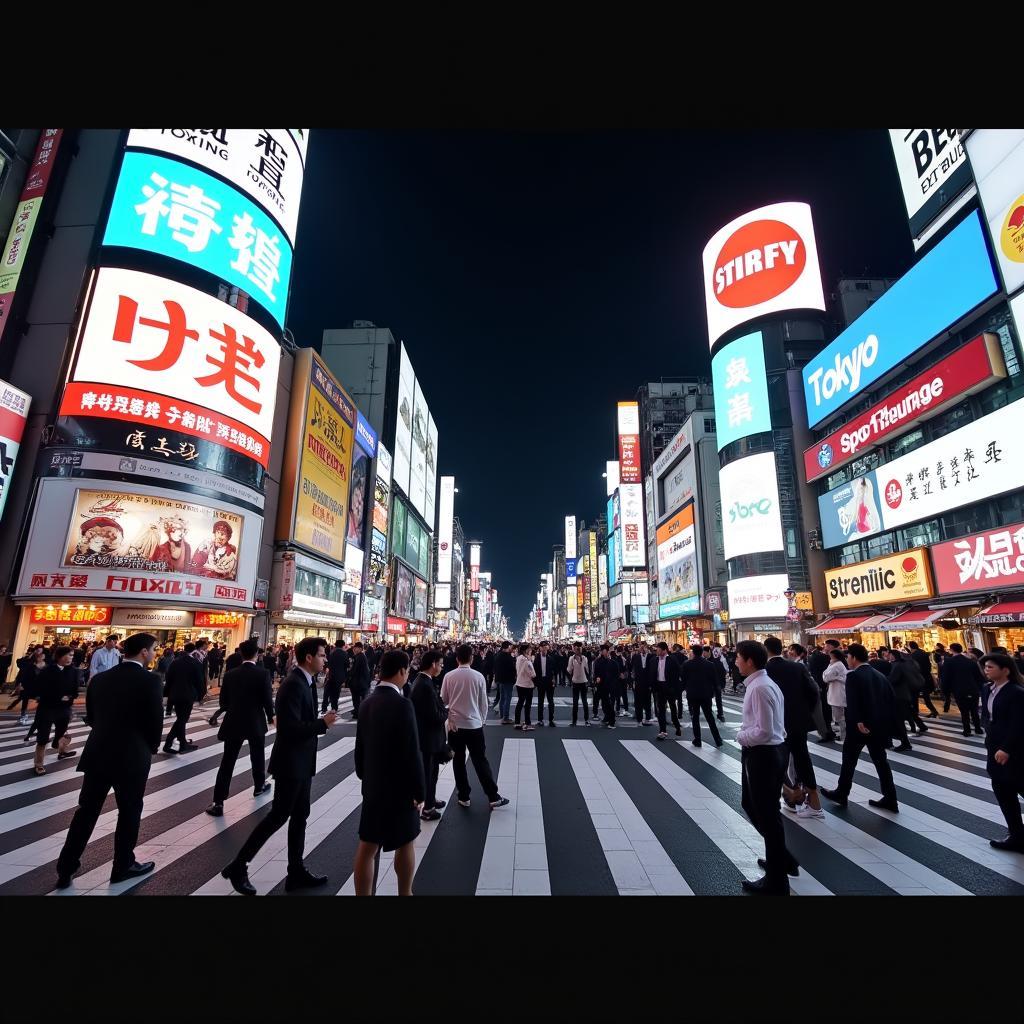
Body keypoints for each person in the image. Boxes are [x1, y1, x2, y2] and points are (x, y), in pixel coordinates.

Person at [222, 637, 337, 896]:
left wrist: (319, 722)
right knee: (279, 815)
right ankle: (239, 865)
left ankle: (295, 871)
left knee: (300, 816)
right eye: (321, 655)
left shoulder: (305, 683)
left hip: (302, 761)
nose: (325, 659)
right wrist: (323, 724)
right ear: (308, 657)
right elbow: (289, 728)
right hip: (290, 763)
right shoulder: (294, 684)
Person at [55, 633, 163, 889]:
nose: (154, 654)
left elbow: (91, 717)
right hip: (132, 755)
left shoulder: (100, 679)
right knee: (129, 811)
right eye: (153, 650)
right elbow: (154, 719)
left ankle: (66, 868)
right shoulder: (150, 681)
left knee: (86, 811)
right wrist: (151, 746)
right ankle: (122, 865)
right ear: (144, 652)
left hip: (98, 752)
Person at [352, 649, 426, 895]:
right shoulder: (403, 704)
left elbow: (359, 749)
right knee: (405, 841)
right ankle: (405, 893)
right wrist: (419, 790)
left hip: (373, 786)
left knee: (368, 845)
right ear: (402, 671)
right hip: (400, 788)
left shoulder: (367, 702)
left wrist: (366, 776)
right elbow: (412, 752)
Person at [734, 640, 795, 895]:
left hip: (763, 754)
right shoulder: (762, 684)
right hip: (768, 752)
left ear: (749, 660)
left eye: (738, 657)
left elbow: (765, 731)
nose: (735, 662)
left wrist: (741, 736)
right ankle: (781, 858)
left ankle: (777, 879)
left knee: (768, 814)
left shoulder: (759, 688)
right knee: (751, 804)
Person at [821, 643, 899, 813]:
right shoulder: (879, 675)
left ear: (854, 658)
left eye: (848, 657)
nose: (847, 660)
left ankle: (842, 792)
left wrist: (859, 721)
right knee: (881, 761)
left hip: (859, 727)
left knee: (849, 760)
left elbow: (853, 702)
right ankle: (890, 797)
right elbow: (891, 699)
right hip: (878, 726)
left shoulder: (855, 676)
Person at [205, 638, 274, 817]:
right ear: (257, 655)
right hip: (255, 721)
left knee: (227, 761)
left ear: (241, 654)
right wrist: (271, 716)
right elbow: (267, 700)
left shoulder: (230, 674)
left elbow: (224, 702)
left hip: (234, 721)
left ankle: (218, 802)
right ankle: (259, 786)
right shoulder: (263, 674)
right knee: (257, 755)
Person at [440, 645, 508, 810]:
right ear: (471, 658)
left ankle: (464, 796)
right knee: (480, 760)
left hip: (455, 725)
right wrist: (482, 720)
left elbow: (444, 700)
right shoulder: (478, 677)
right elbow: (483, 703)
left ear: (457, 658)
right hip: (474, 725)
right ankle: (492, 796)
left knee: (458, 760)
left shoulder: (449, 676)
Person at [764, 636, 823, 819]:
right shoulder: (797, 667)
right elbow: (814, 691)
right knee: (802, 759)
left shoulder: (765, 671)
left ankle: (791, 795)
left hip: (777, 724)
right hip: (798, 722)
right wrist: (804, 711)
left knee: (776, 761)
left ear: (766, 650)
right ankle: (814, 802)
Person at [979, 654, 1024, 852]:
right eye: (985, 667)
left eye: (990, 666)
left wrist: (1006, 748)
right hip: (993, 748)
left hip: (1014, 751)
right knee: (1002, 791)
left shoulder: (1016, 692)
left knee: (1017, 786)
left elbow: (1019, 724)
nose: (986, 670)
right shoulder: (986, 689)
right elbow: (986, 716)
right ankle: (1016, 835)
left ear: (1005, 670)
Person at [410, 650, 448, 822]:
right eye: (440, 664)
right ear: (433, 664)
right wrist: (446, 714)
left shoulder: (424, 681)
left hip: (428, 736)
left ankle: (430, 800)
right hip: (427, 737)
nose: (441, 667)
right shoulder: (424, 685)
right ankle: (427, 808)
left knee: (432, 771)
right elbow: (433, 714)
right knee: (429, 772)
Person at [31, 646, 79, 775]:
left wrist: (69, 697)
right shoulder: (48, 671)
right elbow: (38, 689)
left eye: (72, 655)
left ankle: (61, 751)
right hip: (47, 708)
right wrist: (58, 697)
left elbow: (75, 690)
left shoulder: (73, 671)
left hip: (64, 708)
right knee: (43, 737)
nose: (70, 658)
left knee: (62, 731)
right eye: (68, 655)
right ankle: (38, 764)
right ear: (59, 656)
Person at [162, 642, 204, 754]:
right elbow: (199, 681)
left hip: (175, 694)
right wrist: (201, 696)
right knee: (182, 719)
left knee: (181, 719)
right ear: (194, 650)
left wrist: (167, 694)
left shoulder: (175, 662)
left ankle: (182, 742)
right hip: (188, 695)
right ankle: (169, 743)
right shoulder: (195, 663)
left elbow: (169, 679)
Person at [680, 645, 723, 748]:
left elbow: (683, 679)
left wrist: (683, 689)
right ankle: (717, 739)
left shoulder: (687, 665)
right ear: (702, 652)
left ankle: (697, 740)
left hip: (693, 694)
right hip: (706, 694)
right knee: (709, 717)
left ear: (693, 653)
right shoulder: (710, 665)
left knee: (695, 717)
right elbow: (714, 680)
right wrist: (714, 691)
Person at [940, 643, 985, 737]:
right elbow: (979, 677)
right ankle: (978, 728)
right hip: (973, 689)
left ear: (952, 650)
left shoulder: (949, 662)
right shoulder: (971, 662)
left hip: (959, 689)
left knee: (964, 711)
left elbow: (945, 678)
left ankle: (967, 729)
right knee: (974, 710)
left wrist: (945, 690)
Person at [647, 642, 681, 741]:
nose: (656, 651)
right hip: (659, 686)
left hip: (669, 686)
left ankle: (677, 725)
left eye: (658, 649)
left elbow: (677, 674)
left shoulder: (672, 660)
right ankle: (662, 731)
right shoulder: (654, 660)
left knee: (672, 707)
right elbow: (651, 673)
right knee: (660, 709)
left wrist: (675, 687)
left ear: (664, 650)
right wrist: (651, 686)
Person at [9, 647, 44, 725]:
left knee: (38, 700)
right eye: (40, 656)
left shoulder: (44, 666)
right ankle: (23, 715)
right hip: (27, 685)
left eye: (42, 656)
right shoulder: (30, 664)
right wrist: (21, 684)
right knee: (24, 699)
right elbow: (24, 672)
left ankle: (39, 717)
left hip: (37, 687)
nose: (41, 657)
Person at [907, 640, 940, 718]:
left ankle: (916, 711)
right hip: (927, 676)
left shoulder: (913, 655)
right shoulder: (923, 652)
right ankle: (933, 711)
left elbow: (913, 667)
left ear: (910, 647)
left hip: (918, 677)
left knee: (915, 695)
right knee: (926, 696)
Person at [823, 648, 848, 743]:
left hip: (837, 693)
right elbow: (826, 676)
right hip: (836, 692)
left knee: (839, 716)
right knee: (839, 716)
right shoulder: (836, 664)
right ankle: (843, 734)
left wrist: (833, 677)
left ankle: (843, 735)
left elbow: (826, 677)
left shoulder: (836, 665)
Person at [593, 644, 620, 729]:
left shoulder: (613, 662)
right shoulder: (597, 661)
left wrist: (614, 683)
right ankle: (607, 717)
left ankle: (612, 720)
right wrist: (596, 679)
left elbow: (616, 674)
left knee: (608, 703)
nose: (602, 652)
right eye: (601, 650)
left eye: (603, 650)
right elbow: (596, 673)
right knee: (604, 703)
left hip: (610, 685)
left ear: (607, 651)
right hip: (601, 685)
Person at [533, 641, 557, 727]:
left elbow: (554, 670)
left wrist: (554, 680)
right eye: (542, 646)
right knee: (540, 701)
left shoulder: (551, 658)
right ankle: (540, 719)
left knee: (551, 701)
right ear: (540, 648)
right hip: (540, 681)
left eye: (545, 646)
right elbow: (534, 670)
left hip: (549, 681)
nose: (544, 648)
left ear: (547, 647)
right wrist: (535, 682)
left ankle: (551, 719)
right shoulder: (537, 658)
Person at [567, 642, 592, 726]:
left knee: (584, 702)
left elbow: (587, 670)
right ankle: (574, 720)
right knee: (575, 702)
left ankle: (586, 719)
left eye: (579, 648)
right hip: (575, 682)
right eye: (576, 648)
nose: (577, 650)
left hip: (583, 681)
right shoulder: (571, 658)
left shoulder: (584, 658)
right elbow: (569, 670)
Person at [514, 643, 536, 731]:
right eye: (529, 649)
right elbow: (532, 674)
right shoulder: (527, 661)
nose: (530, 651)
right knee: (528, 704)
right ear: (525, 650)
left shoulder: (518, 659)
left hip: (519, 683)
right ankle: (527, 723)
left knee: (520, 703)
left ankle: (517, 722)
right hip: (527, 684)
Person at [323, 641, 349, 714]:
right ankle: (334, 707)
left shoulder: (331, 652)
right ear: (343, 646)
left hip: (331, 674)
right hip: (340, 676)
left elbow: (327, 663)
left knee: (327, 691)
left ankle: (324, 707)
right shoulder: (344, 653)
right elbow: (347, 665)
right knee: (336, 692)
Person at [631, 643, 654, 726]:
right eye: (641, 647)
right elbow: (632, 669)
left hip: (648, 682)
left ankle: (647, 718)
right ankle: (639, 719)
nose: (643, 649)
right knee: (638, 701)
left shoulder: (651, 657)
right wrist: (633, 681)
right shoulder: (636, 657)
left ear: (647, 648)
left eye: (644, 647)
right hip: (638, 681)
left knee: (647, 700)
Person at [348, 642, 371, 719]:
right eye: (354, 647)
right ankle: (357, 711)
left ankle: (358, 712)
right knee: (358, 698)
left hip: (359, 682)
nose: (354, 649)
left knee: (357, 698)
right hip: (360, 682)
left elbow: (355, 670)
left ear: (361, 649)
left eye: (356, 647)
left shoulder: (360, 657)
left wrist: (349, 674)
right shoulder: (360, 656)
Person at [705, 646, 727, 722]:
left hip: (712, 683)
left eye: (705, 652)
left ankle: (713, 713)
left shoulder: (709, 662)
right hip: (717, 684)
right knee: (718, 699)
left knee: (711, 698)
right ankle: (720, 714)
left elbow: (722, 673)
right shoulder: (718, 662)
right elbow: (723, 673)